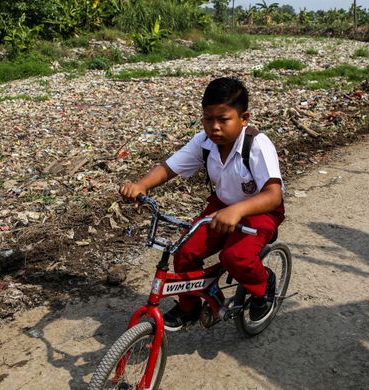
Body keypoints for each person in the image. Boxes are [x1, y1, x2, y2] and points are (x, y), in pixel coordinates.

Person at [119, 77, 285, 331]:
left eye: (223, 119)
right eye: (208, 119)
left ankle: (264, 286)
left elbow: (273, 195)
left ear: (244, 118)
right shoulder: (204, 143)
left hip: (259, 210)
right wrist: (142, 185)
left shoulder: (256, 145)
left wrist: (238, 210)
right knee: (184, 251)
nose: (214, 127)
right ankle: (189, 306)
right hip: (221, 206)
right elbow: (169, 167)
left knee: (234, 257)